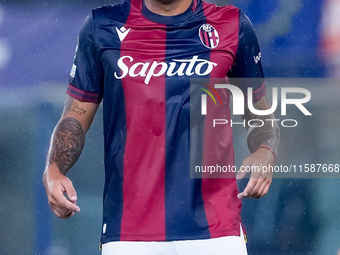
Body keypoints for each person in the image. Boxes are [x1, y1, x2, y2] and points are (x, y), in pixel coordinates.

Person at [42, 0, 279, 254]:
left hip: (216, 231)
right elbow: (75, 116)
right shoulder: (102, 26)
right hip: (129, 234)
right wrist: (54, 169)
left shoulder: (232, 25)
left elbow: (258, 108)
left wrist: (266, 149)